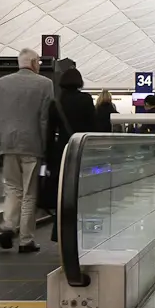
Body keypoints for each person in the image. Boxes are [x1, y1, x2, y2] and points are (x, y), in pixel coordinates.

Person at [0, 47, 55, 254]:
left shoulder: (2, 83)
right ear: (34, 63)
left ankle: (7, 225)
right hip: (32, 145)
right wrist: (46, 146)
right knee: (29, 193)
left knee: (12, 188)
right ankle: (26, 240)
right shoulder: (45, 84)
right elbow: (44, 119)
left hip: (7, 144)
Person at [47, 66, 99, 241]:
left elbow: (49, 133)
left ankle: (59, 233)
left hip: (62, 153)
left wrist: (48, 160)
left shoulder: (56, 103)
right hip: (82, 152)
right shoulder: (86, 100)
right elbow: (93, 128)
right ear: (79, 82)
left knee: (63, 194)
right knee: (82, 192)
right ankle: (84, 230)